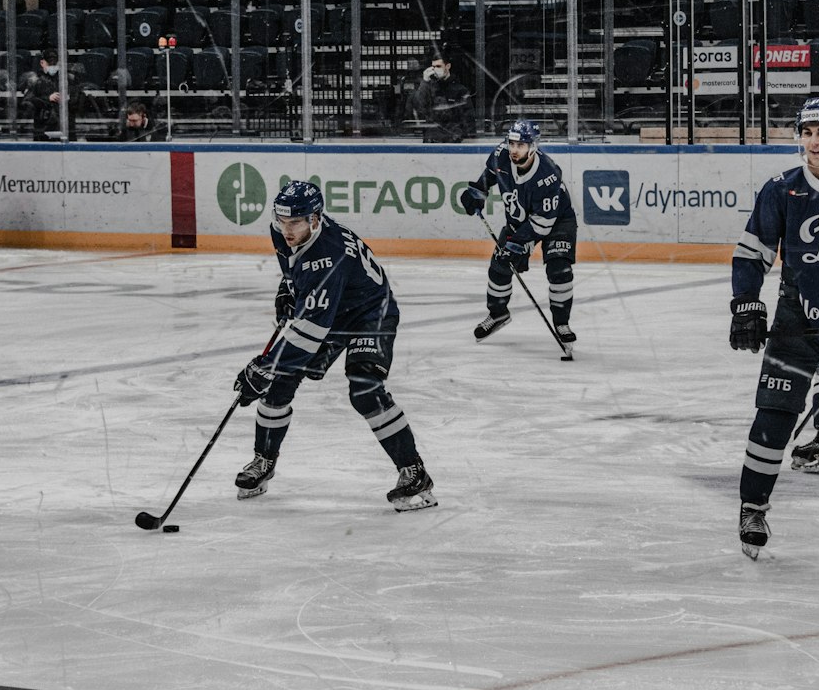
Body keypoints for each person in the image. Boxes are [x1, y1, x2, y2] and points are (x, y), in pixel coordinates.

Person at [232, 180, 436, 512]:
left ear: (315, 219)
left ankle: (414, 471)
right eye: (282, 220)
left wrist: (264, 366)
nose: (287, 229)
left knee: (365, 388)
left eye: (295, 222)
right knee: (280, 382)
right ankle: (263, 461)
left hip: (372, 313)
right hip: (332, 310)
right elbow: (293, 269)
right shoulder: (284, 229)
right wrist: (288, 287)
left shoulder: (326, 256)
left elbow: (309, 332)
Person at [730, 97, 819, 558]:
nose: (814, 142)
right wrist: (746, 303)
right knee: (774, 414)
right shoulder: (781, 189)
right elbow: (752, 252)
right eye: (807, 133)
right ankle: (753, 506)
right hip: (797, 320)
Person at [460, 118, 577, 344]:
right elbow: (490, 174)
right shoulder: (500, 155)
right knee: (499, 268)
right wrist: (477, 192)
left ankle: (562, 323)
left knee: (559, 269)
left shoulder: (548, 173)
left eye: (520, 145)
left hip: (557, 220)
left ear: (533, 146)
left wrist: (518, 243)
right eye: (512, 144)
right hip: (520, 220)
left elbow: (543, 222)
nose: (514, 150)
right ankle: (498, 314)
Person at [411, 54, 475, 141]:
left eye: (438, 66)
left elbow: (468, 118)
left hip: (453, 139)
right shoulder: (428, 88)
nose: (435, 70)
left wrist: (464, 138)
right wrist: (425, 82)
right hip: (431, 139)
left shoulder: (460, 90)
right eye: (433, 67)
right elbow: (419, 107)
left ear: (447, 66)